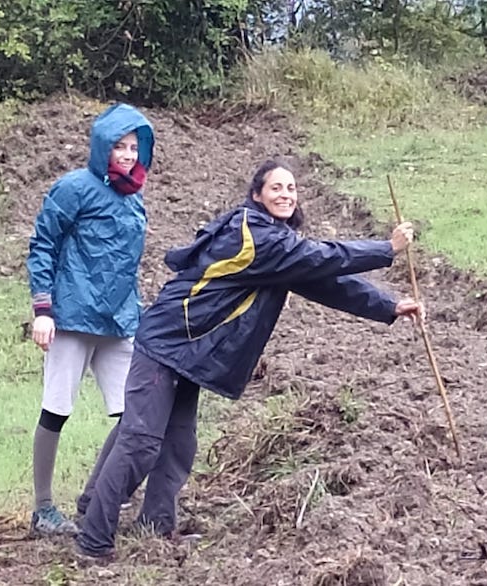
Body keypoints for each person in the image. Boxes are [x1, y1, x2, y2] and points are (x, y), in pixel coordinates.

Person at [76, 159, 423, 557]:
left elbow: (327, 282)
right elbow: (321, 256)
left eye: (291, 189)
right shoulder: (254, 234)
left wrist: (390, 305)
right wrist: (386, 249)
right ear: (257, 194)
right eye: (276, 188)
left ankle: (153, 524)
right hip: (169, 340)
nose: (285, 195)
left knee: (177, 444)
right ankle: (93, 540)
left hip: (192, 350)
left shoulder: (279, 246)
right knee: (140, 441)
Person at [26, 103, 154, 536]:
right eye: (119, 145)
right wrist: (42, 310)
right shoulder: (73, 188)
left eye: (134, 146)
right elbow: (43, 245)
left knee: (133, 417)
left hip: (119, 324)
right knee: (57, 409)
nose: (128, 154)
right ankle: (43, 509)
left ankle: (97, 499)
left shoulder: (136, 198)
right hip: (71, 318)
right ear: (103, 147)